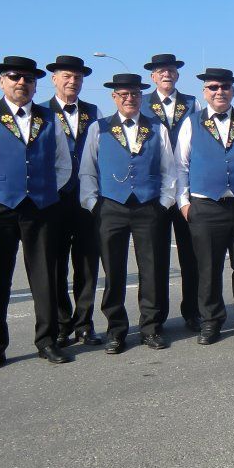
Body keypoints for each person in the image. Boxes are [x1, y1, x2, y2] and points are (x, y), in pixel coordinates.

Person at [0, 56, 73, 371]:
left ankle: (47, 341)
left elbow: (63, 163)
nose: (22, 83)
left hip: (42, 209)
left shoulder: (49, 118)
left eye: (29, 79)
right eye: (15, 77)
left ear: (35, 85)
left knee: (45, 277)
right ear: (1, 81)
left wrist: (47, 192)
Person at [79, 73, 177, 354]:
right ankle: (116, 330)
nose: (129, 99)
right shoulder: (99, 129)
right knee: (114, 271)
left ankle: (151, 327)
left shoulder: (156, 128)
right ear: (114, 97)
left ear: (140, 96)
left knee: (152, 270)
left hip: (148, 207)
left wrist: (164, 202)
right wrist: (94, 204)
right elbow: (87, 170)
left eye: (134, 94)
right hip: (111, 208)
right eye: (123, 94)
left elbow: (168, 169)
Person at [174, 68, 234, 345]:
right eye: (213, 87)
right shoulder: (191, 122)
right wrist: (184, 203)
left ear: (233, 91)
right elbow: (180, 166)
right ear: (205, 92)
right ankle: (211, 321)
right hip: (205, 206)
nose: (219, 92)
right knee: (208, 267)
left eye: (224, 87)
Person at [142, 53, 201, 332]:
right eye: (161, 71)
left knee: (191, 255)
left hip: (186, 189)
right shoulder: (140, 103)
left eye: (171, 70)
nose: (166, 74)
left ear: (177, 75)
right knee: (156, 258)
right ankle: (156, 318)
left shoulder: (192, 103)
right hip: (153, 191)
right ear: (153, 76)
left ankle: (193, 311)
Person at [46, 55, 102, 348]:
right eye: (67, 76)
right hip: (53, 199)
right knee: (55, 264)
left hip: (85, 198)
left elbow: (100, 154)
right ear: (54, 78)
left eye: (78, 78)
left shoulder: (94, 112)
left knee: (87, 264)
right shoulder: (41, 111)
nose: (72, 82)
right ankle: (60, 324)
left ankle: (84, 324)